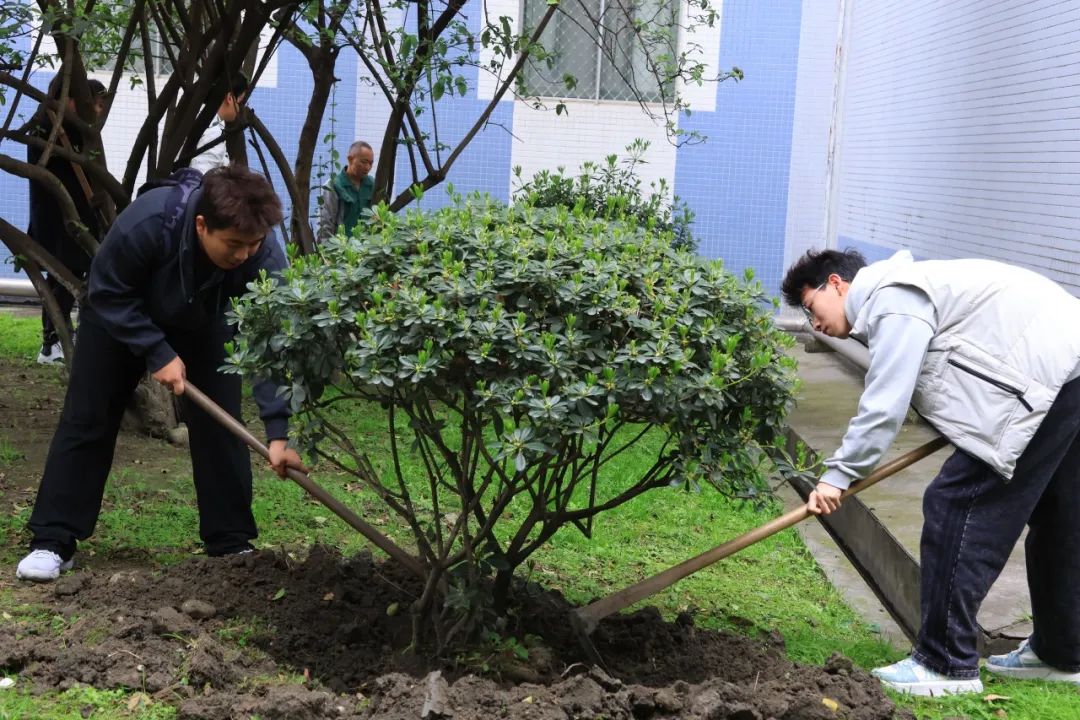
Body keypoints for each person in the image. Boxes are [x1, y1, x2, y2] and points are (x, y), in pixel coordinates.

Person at [782, 248, 1080, 696]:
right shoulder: (911, 289)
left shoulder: (892, 298)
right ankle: (1062, 652)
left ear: (837, 284)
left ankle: (945, 664)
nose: (814, 324)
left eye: (811, 307)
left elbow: (885, 402)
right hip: (1068, 370)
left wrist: (838, 475)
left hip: (1046, 373)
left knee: (956, 505)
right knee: (1060, 516)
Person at [16, 165, 307, 583]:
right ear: (202, 225)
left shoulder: (264, 255)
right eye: (234, 244)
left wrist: (279, 434)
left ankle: (230, 543)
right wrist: (156, 350)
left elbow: (273, 343)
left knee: (221, 423)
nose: (244, 254)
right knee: (89, 416)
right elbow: (107, 290)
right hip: (120, 313)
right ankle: (53, 539)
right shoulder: (149, 222)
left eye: (253, 244)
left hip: (206, 319)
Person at [25, 76, 109, 365]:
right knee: (65, 277)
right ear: (68, 99)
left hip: (64, 218)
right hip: (60, 219)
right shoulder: (52, 127)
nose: (96, 111)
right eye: (93, 104)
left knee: (63, 278)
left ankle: (54, 342)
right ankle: (54, 342)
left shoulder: (58, 126)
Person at [315, 140, 375, 244]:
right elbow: (324, 225)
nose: (367, 167)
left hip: (367, 250)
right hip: (342, 249)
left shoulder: (372, 185)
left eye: (371, 163)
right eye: (364, 162)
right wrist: (328, 251)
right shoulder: (333, 186)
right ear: (350, 159)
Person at [188, 74, 248, 174]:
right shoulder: (213, 132)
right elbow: (199, 176)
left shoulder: (195, 117)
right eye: (240, 101)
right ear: (229, 98)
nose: (240, 109)